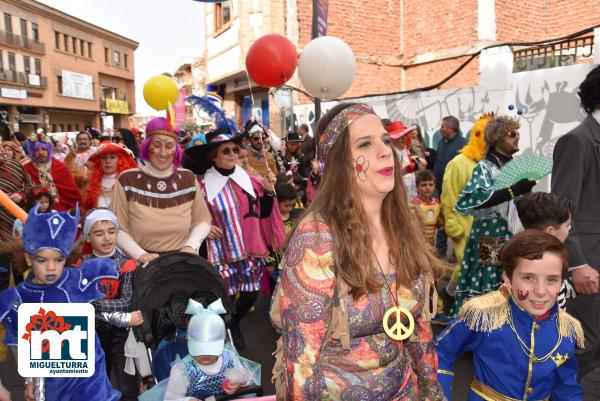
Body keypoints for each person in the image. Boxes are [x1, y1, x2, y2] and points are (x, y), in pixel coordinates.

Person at [272, 103, 443, 400]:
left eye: (385, 140)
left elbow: (418, 328)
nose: (384, 150)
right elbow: (300, 365)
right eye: (365, 143)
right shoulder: (316, 240)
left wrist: (431, 390)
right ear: (340, 163)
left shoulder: (404, 224)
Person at [435, 230, 584, 401]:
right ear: (508, 278)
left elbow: (566, 386)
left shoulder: (568, 329)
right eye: (528, 278)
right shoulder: (483, 315)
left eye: (551, 280)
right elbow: (442, 351)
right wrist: (441, 394)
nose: (541, 291)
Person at [0, 206, 121, 401]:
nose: (51, 267)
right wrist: (29, 379)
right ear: (29, 259)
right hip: (52, 386)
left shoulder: (78, 281)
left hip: (91, 382)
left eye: (58, 260)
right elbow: (19, 343)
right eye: (42, 260)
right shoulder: (20, 298)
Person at [184, 128, 285, 350]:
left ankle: (234, 322)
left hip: (249, 251)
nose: (232, 154)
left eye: (235, 149)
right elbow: (188, 214)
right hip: (219, 253)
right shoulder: (201, 186)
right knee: (223, 300)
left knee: (250, 295)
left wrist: (269, 190)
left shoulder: (248, 180)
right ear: (213, 156)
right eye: (225, 150)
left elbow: (264, 212)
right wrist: (203, 226)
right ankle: (230, 330)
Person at [452, 115, 535, 314]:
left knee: (510, 279)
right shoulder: (485, 167)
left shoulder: (513, 166)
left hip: (512, 234)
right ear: (498, 137)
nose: (517, 138)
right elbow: (478, 198)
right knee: (489, 284)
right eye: (512, 134)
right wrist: (515, 189)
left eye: (518, 133)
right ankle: (484, 331)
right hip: (490, 235)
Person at [551, 64, 600, 398]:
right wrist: (579, 264)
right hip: (590, 264)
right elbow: (562, 210)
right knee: (588, 346)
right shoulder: (577, 140)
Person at [109, 117, 212, 263]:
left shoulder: (188, 178)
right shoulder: (127, 180)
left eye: (169, 146)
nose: (163, 153)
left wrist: (191, 246)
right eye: (157, 145)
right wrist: (140, 255)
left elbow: (203, 220)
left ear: (176, 150)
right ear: (147, 147)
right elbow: (116, 227)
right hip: (141, 265)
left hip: (182, 263)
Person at [79, 208, 143, 401]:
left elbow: (126, 302)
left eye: (111, 231)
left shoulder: (126, 264)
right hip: (94, 334)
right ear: (88, 237)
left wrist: (95, 306)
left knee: (128, 388)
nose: (106, 238)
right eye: (99, 233)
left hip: (122, 333)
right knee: (99, 386)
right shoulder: (81, 265)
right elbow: (82, 305)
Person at [139, 299, 250, 401]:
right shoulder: (182, 370)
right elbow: (171, 398)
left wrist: (240, 383)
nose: (205, 354)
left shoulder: (229, 358)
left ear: (223, 343)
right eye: (200, 348)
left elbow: (245, 376)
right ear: (187, 343)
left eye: (210, 349)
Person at [440, 113, 492, 293]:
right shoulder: (459, 164)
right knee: (468, 267)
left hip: (490, 227)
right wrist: (453, 225)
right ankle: (450, 299)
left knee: (488, 269)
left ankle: (455, 299)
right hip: (465, 226)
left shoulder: (493, 165)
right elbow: (449, 197)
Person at [516, 192, 576, 309]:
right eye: (567, 225)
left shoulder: (515, 251)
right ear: (550, 232)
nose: (569, 228)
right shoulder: (551, 260)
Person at [433, 116, 466, 257]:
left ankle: (455, 252)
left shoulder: (463, 144)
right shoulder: (441, 142)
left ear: (451, 129)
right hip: (440, 189)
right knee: (441, 219)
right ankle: (440, 249)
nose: (440, 129)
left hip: (456, 191)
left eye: (443, 127)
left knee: (455, 220)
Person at [22, 136, 82, 211]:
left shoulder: (60, 167)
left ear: (49, 150)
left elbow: (71, 192)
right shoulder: (27, 168)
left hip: (59, 209)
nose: (40, 152)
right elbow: (23, 190)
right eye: (37, 150)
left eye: (44, 149)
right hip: (35, 210)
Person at [83, 142, 137, 212]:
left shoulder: (127, 182)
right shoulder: (91, 183)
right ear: (99, 161)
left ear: (119, 160)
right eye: (104, 158)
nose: (108, 161)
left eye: (112, 157)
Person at [386, 120, 418, 199]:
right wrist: (405, 170)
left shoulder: (404, 151)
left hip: (410, 192)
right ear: (393, 139)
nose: (404, 138)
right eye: (400, 136)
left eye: (405, 135)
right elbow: (388, 177)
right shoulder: (389, 154)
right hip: (397, 195)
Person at [411, 169, 443, 247]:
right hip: (416, 244)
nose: (427, 188)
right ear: (417, 187)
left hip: (431, 244)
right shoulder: (413, 205)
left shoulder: (437, 204)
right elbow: (411, 228)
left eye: (430, 184)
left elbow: (441, 224)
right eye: (423, 185)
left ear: (435, 186)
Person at [64, 131, 96, 196]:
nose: (82, 141)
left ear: (90, 141)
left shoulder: (95, 154)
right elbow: (65, 174)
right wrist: (79, 178)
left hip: (93, 192)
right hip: (77, 193)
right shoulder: (71, 156)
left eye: (85, 139)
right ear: (77, 141)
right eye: (80, 139)